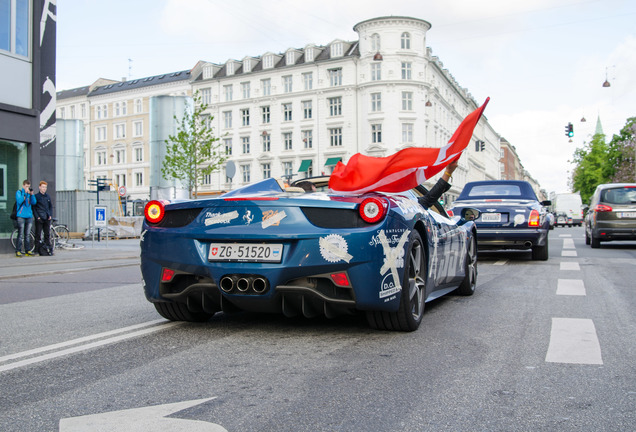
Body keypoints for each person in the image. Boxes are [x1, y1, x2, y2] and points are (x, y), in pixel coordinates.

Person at [15, 179, 37, 257]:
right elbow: (19, 201)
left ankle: (27, 250)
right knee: (20, 234)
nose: (27, 188)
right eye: (26, 186)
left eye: (28, 186)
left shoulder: (29, 194)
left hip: (29, 216)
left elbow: (34, 202)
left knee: (27, 234)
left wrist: (32, 194)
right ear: (23, 186)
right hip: (21, 216)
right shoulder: (19, 192)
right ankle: (18, 250)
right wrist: (24, 193)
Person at [34, 180, 54, 256]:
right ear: (39, 187)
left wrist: (50, 215)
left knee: (47, 234)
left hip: (46, 218)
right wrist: (37, 217)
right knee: (38, 234)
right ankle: (37, 250)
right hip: (40, 218)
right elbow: (34, 208)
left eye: (45, 187)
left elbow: (50, 206)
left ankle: (47, 249)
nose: (44, 189)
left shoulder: (47, 196)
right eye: (43, 187)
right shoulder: (37, 196)